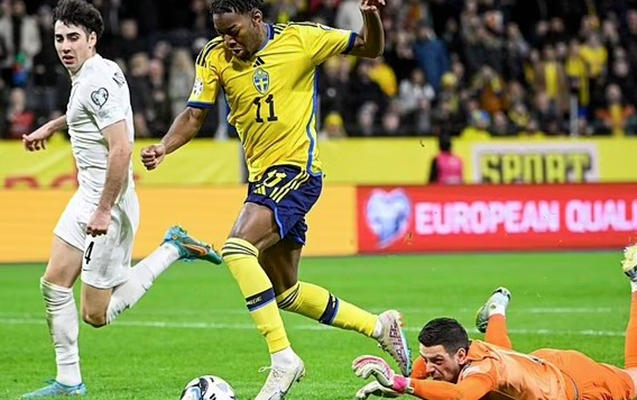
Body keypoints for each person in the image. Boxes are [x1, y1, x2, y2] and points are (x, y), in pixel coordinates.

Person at [140, 0, 412, 398]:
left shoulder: (302, 38)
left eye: (233, 31)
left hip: (297, 171)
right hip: (262, 179)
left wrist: (371, 15)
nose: (227, 41)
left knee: (237, 249)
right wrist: (165, 146)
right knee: (285, 291)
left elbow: (371, 48)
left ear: (256, 19)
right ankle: (378, 326)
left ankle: (283, 358)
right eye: (220, 33)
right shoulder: (213, 57)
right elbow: (195, 115)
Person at [20, 1, 221, 397]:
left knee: (95, 315)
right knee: (54, 284)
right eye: (59, 38)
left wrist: (103, 210)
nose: (64, 46)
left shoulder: (95, 80)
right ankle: (69, 381)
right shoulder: (98, 70)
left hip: (107, 206)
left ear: (92, 39)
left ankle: (173, 249)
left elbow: (122, 149)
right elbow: (86, 112)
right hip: (88, 197)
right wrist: (54, 125)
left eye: (73, 38)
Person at [352, 244, 637, 400]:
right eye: (427, 360)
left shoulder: (481, 371)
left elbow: (461, 396)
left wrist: (402, 383)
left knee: (634, 377)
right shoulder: (457, 352)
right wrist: (394, 384)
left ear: (461, 355)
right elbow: (423, 370)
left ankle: (636, 282)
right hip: (539, 369)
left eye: (436, 361)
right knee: (503, 364)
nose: (429, 368)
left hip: (579, 384)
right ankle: (497, 310)